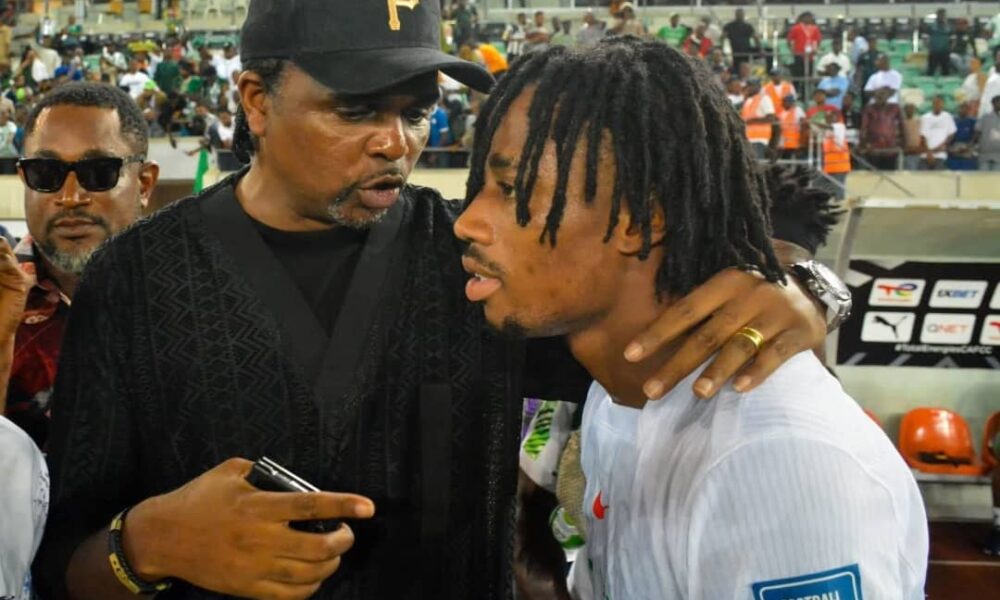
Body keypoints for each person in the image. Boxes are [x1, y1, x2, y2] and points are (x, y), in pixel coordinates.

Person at [34, 3, 834, 600]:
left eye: (416, 111)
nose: (396, 143)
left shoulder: (482, 262)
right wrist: (147, 545)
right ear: (255, 99)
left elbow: (668, 330)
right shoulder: (134, 280)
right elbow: (62, 562)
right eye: (356, 111)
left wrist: (809, 293)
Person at [455, 37, 926, 600]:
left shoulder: (776, 458)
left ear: (641, 219)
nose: (467, 222)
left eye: (509, 189)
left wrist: (812, 285)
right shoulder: (620, 395)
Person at [3, 83, 160, 450]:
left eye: (98, 172)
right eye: (45, 173)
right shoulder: (3, 301)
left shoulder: (198, 298)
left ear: (144, 184)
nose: (70, 197)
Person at [860, 88, 904, 170]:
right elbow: (864, 127)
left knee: (890, 173)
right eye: (879, 95)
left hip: (891, 148)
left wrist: (902, 143)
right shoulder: (869, 108)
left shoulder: (895, 108)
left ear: (888, 96)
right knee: (872, 174)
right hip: (873, 148)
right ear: (875, 96)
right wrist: (863, 144)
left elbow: (902, 126)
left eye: (884, 94)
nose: (881, 97)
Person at [787, 12, 822, 94]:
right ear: (803, 18)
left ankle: (805, 93)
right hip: (799, 54)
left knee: (808, 75)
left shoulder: (815, 28)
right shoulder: (796, 28)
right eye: (807, 17)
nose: (809, 19)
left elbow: (818, 40)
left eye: (810, 17)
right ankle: (795, 92)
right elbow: (790, 40)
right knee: (798, 75)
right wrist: (793, 50)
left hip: (810, 55)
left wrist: (815, 49)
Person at [741, 78, 777, 158]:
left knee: (755, 162)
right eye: (747, 86)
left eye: (750, 86)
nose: (748, 88)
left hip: (759, 139)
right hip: (747, 139)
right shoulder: (748, 100)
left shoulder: (764, 98)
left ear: (758, 87)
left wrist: (751, 121)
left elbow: (771, 118)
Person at [919, 95, 957, 170]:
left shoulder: (947, 116)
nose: (937, 105)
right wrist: (929, 152)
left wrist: (940, 146)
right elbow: (922, 136)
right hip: (925, 155)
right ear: (932, 104)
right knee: (923, 177)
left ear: (943, 104)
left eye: (939, 103)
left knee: (938, 176)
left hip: (940, 155)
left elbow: (951, 134)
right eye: (935, 103)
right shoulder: (925, 117)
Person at [946, 101, 978, 171]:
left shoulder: (972, 121)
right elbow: (948, 135)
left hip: (967, 149)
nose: (963, 110)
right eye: (962, 108)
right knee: (952, 173)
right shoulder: (952, 120)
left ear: (969, 110)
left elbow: (975, 136)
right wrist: (949, 148)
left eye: (966, 108)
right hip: (953, 149)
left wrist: (968, 146)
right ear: (958, 109)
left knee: (967, 173)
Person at [975, 95, 1000, 171]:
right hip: (985, 155)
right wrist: (972, 145)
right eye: (997, 102)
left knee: (997, 177)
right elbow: (977, 132)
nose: (999, 104)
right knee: (983, 176)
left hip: (998, 156)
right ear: (993, 104)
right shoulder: (985, 117)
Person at [925, 8, 953, 77]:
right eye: (940, 15)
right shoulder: (931, 26)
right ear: (937, 15)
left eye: (943, 15)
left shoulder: (948, 26)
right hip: (934, 52)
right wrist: (929, 47)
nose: (942, 16)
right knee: (931, 71)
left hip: (945, 52)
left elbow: (953, 39)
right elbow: (925, 38)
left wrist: (950, 49)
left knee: (946, 71)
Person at [778, 95, 806, 159]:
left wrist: (802, 142)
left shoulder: (797, 110)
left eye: (787, 101)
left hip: (795, 142)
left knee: (795, 160)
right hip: (783, 143)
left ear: (792, 102)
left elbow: (803, 124)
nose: (785, 103)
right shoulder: (781, 112)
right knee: (784, 160)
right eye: (784, 101)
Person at [901, 103, 926, 171]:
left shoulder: (918, 122)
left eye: (912, 109)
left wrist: (921, 148)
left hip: (919, 153)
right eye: (908, 109)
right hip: (907, 154)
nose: (910, 110)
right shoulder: (901, 123)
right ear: (904, 110)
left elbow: (922, 136)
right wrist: (907, 149)